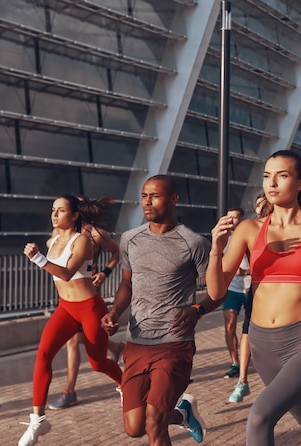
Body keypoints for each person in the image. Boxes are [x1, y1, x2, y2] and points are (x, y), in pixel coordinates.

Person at [207, 150, 301, 446]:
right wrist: (216, 248)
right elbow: (216, 291)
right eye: (267, 176)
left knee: (259, 416)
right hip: (261, 343)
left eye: (282, 175)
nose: (272, 183)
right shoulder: (249, 229)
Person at [101, 175, 222, 445]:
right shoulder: (130, 239)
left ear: (174, 199)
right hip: (138, 343)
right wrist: (114, 313)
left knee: (155, 422)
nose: (147, 201)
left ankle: (173, 414)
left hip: (175, 343)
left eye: (154, 195)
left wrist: (198, 310)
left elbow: (218, 292)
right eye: (144, 195)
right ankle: (183, 414)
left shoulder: (194, 243)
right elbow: (126, 283)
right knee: (135, 427)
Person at [19, 195, 123, 446]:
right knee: (43, 354)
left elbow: (65, 274)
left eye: (61, 210)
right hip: (65, 308)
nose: (54, 214)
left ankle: (125, 383)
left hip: (89, 307)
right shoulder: (51, 240)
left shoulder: (85, 241)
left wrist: (38, 259)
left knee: (97, 363)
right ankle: (38, 420)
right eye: (53, 210)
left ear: (75, 214)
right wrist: (41, 255)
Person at [49, 196, 123, 410]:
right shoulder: (60, 234)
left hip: (88, 295)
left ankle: (69, 392)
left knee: (72, 341)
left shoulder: (96, 234)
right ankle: (115, 347)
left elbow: (116, 253)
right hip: (67, 297)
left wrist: (105, 273)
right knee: (76, 339)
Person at [228, 193, 271, 404]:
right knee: (246, 331)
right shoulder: (251, 228)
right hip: (256, 290)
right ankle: (242, 381)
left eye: (263, 204)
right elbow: (235, 266)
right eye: (257, 205)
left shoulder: (287, 228)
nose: (259, 208)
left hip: (286, 294)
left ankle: (281, 383)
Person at [222, 207, 250, 380]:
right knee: (229, 325)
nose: (231, 220)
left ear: (242, 219)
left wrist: (244, 272)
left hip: (249, 288)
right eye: (228, 217)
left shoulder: (249, 236)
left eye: (234, 218)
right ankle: (235, 363)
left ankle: (251, 359)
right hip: (231, 289)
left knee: (251, 329)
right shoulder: (224, 239)